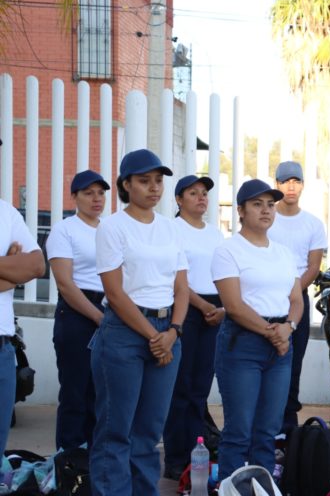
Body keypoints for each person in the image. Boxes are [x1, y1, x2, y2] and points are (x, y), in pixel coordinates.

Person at [90, 148, 188, 496]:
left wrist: (173, 332)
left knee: (148, 432)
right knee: (116, 430)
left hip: (166, 332)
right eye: (144, 181)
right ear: (126, 184)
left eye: (158, 181)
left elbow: (181, 286)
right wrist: (154, 337)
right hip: (125, 333)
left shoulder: (170, 228)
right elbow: (114, 294)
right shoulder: (112, 227)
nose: (154, 188)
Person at [212, 179, 303, 480]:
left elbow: (296, 299)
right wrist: (272, 333)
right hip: (244, 345)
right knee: (239, 430)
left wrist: (288, 329)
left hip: (281, 344)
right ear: (240, 210)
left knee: (268, 431)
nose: (265, 210)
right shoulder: (229, 251)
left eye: (270, 204)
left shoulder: (283, 253)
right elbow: (234, 306)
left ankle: (262, 487)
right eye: (256, 204)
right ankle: (232, 487)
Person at [162, 174, 225, 480]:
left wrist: (222, 307)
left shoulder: (215, 234)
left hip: (214, 310)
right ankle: (175, 458)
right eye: (193, 193)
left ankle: (196, 455)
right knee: (180, 388)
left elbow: (224, 273)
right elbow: (178, 277)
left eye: (204, 193)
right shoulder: (172, 230)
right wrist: (203, 306)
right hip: (186, 308)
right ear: (178, 199)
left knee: (200, 389)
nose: (201, 198)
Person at [45, 169, 110, 450]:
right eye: (88, 193)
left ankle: (94, 468)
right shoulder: (64, 230)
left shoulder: (109, 229)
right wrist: (98, 316)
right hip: (77, 313)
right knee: (76, 394)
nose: (96, 199)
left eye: (101, 193)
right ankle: (70, 467)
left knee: (100, 395)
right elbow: (65, 283)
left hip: (110, 310)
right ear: (74, 197)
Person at [268, 161, 327, 431]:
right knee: (265, 361)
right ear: (277, 184)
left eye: (296, 181)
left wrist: (292, 293)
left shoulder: (313, 224)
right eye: (285, 181)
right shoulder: (267, 218)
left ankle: (288, 428)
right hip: (265, 300)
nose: (291, 186)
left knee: (292, 364)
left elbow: (313, 267)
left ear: (303, 185)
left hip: (297, 302)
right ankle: (264, 426)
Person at [0, 139, 45, 455]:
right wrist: (9, 267)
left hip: (2, 347)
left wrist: (20, 266)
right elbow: (21, 267)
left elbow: (36, 264)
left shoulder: (6, 212)